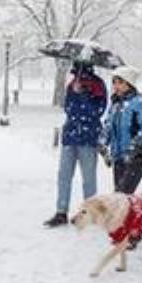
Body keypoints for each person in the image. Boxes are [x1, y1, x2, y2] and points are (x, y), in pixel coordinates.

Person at [44, 61, 107, 227]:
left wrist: (84, 95)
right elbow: (68, 108)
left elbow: (98, 111)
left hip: (88, 137)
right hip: (70, 136)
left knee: (88, 179)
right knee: (63, 176)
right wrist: (75, 92)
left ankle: (91, 213)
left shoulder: (98, 85)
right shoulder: (72, 83)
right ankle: (61, 212)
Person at [101, 65, 142, 194]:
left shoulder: (139, 103)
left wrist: (133, 148)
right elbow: (108, 126)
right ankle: (129, 214)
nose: (116, 86)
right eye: (114, 82)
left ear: (129, 83)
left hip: (137, 158)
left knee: (122, 196)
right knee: (119, 197)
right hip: (118, 157)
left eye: (120, 82)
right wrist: (103, 143)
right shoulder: (115, 104)